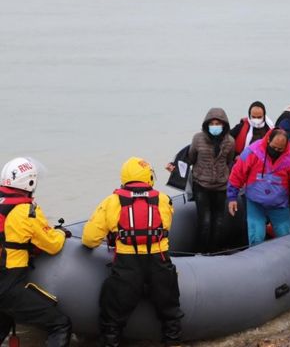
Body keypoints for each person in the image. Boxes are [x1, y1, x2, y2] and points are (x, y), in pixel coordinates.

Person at [83, 157, 183, 346]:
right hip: (159, 260)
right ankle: (173, 342)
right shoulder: (163, 199)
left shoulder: (112, 201)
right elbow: (166, 226)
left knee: (112, 316)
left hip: (127, 263)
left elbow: (89, 238)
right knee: (170, 311)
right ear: (149, 177)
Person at [0, 157, 72, 346]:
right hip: (6, 286)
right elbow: (52, 244)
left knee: (4, 321)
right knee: (60, 324)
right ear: (30, 181)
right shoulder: (25, 210)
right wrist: (60, 233)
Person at [227, 129, 290, 246]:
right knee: (256, 237)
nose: (275, 151)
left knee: (284, 236)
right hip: (256, 203)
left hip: (279, 205)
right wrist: (232, 197)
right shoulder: (253, 152)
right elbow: (238, 173)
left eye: (279, 149)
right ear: (268, 140)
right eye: (273, 147)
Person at [167, 108, 235, 253]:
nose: (215, 126)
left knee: (219, 221)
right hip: (201, 185)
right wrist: (175, 168)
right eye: (212, 123)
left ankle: (215, 250)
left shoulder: (230, 141)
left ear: (224, 125)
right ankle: (202, 251)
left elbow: (229, 161)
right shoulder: (198, 138)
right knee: (205, 220)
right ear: (207, 124)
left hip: (221, 187)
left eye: (218, 123)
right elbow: (190, 158)